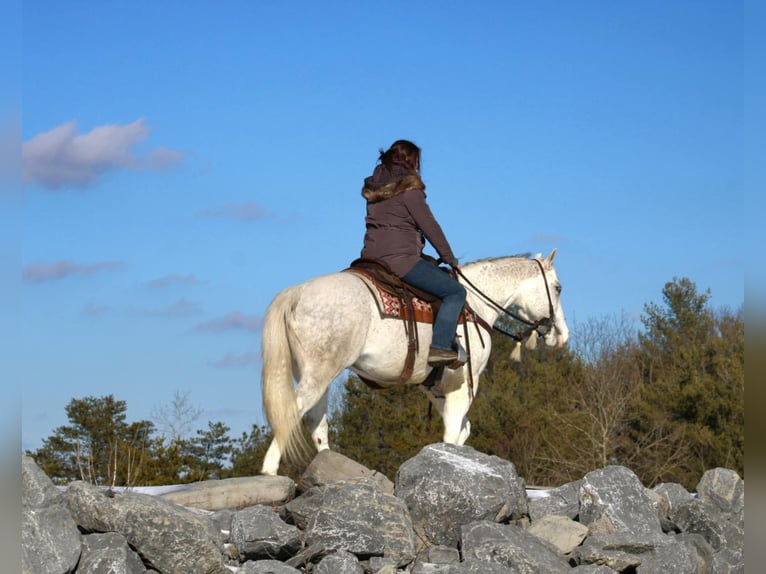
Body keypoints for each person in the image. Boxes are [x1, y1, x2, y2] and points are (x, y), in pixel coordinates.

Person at [360, 139, 467, 365]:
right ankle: (439, 347)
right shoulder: (409, 189)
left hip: (370, 258)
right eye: (417, 162)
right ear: (411, 161)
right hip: (400, 260)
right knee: (455, 292)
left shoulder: (375, 187)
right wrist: (450, 258)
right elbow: (430, 226)